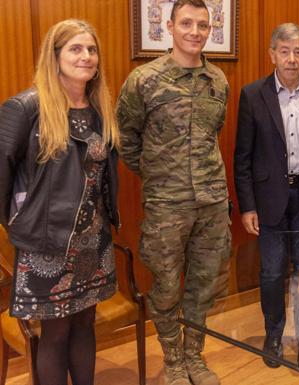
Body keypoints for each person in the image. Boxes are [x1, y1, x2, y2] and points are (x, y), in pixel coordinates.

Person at [116, 1, 230, 384]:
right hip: (166, 206)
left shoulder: (218, 81)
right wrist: (158, 176)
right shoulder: (144, 80)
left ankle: (194, 356)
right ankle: (173, 360)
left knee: (204, 283)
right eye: (186, 23)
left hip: (212, 203)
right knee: (164, 287)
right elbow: (126, 139)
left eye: (202, 24)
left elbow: (214, 134)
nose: (194, 31)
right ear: (170, 26)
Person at [0, 19, 119, 385]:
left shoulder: (98, 109)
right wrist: (20, 222)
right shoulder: (26, 107)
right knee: (55, 336)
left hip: (93, 244)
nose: (86, 56)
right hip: (47, 247)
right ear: (55, 57)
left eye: (91, 49)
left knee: (84, 325)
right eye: (75, 49)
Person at [234, 23, 299, 368]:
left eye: (298, 52)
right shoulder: (252, 95)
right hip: (269, 200)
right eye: (284, 51)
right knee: (271, 272)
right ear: (272, 54)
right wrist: (247, 206)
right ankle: (274, 335)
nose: (292, 59)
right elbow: (242, 156)